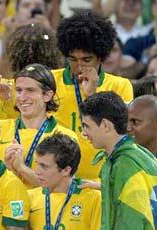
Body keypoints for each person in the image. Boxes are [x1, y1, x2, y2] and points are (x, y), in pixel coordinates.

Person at [53, 11, 134, 180]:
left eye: (86, 59)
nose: (79, 66)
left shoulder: (120, 86)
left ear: (100, 57)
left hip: (101, 181)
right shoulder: (50, 82)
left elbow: (122, 134)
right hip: (59, 181)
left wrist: (92, 94)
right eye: (73, 59)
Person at [80, 91, 157, 230]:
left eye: (86, 126)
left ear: (105, 125)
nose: (84, 133)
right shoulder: (130, 155)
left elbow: (131, 229)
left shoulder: (126, 165)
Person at [0, 64, 77, 188]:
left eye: (30, 90)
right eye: (19, 90)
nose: (22, 97)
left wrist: (21, 168)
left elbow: (61, 186)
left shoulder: (65, 137)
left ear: (47, 95)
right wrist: (4, 171)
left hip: (44, 207)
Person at [26, 133, 101, 230]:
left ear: (66, 170)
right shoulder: (29, 197)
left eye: (44, 166)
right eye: (36, 164)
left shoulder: (94, 198)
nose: (36, 171)